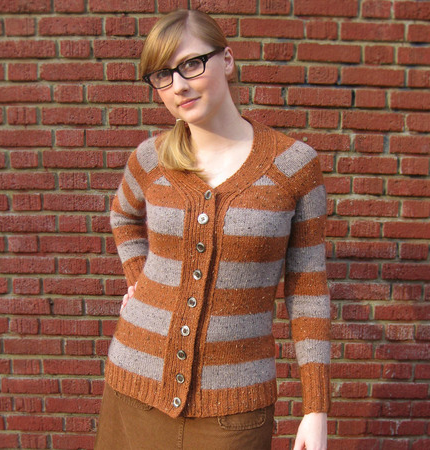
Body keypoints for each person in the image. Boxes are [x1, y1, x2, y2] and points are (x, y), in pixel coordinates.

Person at [95, 9, 330, 450]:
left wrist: (316, 407)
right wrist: (138, 278)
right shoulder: (151, 157)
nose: (178, 85)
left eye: (191, 64)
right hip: (134, 384)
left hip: (234, 407)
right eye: (162, 75)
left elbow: (308, 288)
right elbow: (123, 215)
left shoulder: (294, 166)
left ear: (227, 60)